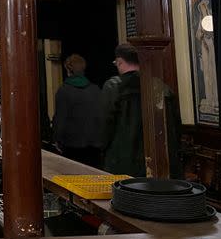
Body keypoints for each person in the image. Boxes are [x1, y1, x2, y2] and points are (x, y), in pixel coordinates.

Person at [100, 43, 182, 178]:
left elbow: (105, 126)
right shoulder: (162, 88)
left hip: (124, 163)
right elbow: (176, 128)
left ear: (120, 62)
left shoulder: (114, 88)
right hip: (160, 165)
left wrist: (103, 150)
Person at [52, 54, 103, 168]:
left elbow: (60, 119)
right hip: (94, 145)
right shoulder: (95, 89)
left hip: (72, 145)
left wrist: (56, 139)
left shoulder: (64, 91)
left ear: (67, 69)